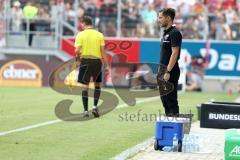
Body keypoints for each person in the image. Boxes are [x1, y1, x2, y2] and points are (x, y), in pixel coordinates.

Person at [74, 16, 109, 118]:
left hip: (85, 61)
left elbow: (77, 51)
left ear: (84, 23)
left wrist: (78, 58)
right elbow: (103, 52)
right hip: (97, 62)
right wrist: (106, 65)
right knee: (97, 85)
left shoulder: (80, 35)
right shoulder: (99, 35)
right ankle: (94, 106)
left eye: (81, 23)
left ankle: (85, 110)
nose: (81, 25)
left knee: (85, 86)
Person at [157, 8, 182, 116]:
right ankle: (168, 123)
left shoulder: (175, 33)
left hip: (170, 71)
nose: (158, 20)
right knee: (164, 99)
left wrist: (168, 71)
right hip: (163, 70)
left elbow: (175, 53)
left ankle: (175, 127)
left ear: (168, 18)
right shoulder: (166, 33)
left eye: (160, 17)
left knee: (171, 99)